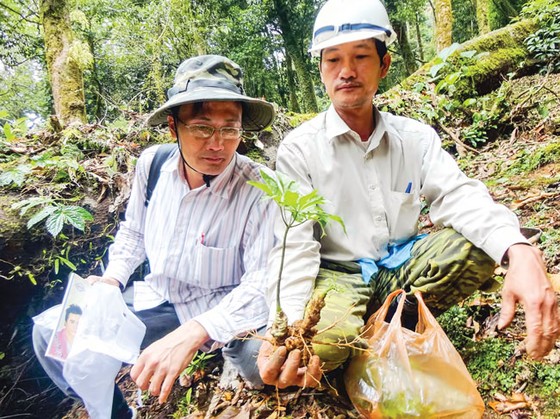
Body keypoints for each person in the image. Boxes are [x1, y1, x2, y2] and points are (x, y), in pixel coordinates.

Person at [258, 0, 559, 388]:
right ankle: (362, 339)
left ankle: (380, 332)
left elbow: (458, 195)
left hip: (400, 267)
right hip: (338, 277)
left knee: (477, 249)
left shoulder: (414, 138)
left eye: (361, 56)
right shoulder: (300, 149)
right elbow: (294, 245)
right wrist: (288, 325)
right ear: (320, 70)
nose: (346, 71)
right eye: (333, 60)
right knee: (315, 351)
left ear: (384, 65)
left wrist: (518, 250)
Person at [33, 54, 277, 418]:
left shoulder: (260, 188)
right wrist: (113, 279)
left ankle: (218, 358)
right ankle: (116, 412)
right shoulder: (153, 164)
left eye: (230, 128)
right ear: (173, 127)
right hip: (161, 299)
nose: (218, 143)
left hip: (228, 308)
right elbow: (134, 231)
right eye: (202, 128)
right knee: (51, 336)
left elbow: (262, 281)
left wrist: (197, 331)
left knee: (263, 364)